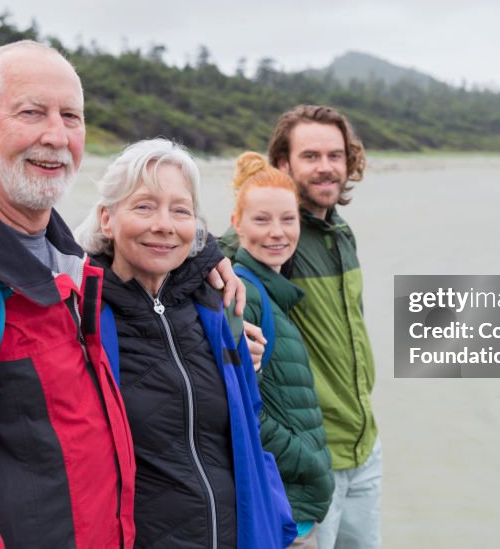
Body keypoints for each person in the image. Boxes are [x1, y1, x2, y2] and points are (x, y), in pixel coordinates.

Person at [0, 40, 240, 547]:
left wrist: (205, 255)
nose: (56, 136)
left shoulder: (68, 266)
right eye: (32, 112)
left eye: (71, 117)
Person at [75, 138, 295, 549]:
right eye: (144, 206)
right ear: (107, 219)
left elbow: (249, 424)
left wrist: (277, 525)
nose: (164, 224)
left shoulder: (218, 307)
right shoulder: (79, 315)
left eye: (180, 210)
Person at [222, 105, 379, 549]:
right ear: (284, 165)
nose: (326, 166)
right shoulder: (274, 238)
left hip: (364, 444)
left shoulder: (341, 233)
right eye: (310, 156)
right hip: (311, 455)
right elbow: (208, 256)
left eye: (335, 155)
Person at [230, 152, 334, 548]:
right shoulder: (245, 296)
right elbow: (239, 411)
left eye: (287, 219)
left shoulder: (268, 294)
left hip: (292, 512)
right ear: (237, 225)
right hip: (281, 515)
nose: (277, 232)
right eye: (261, 219)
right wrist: (311, 465)